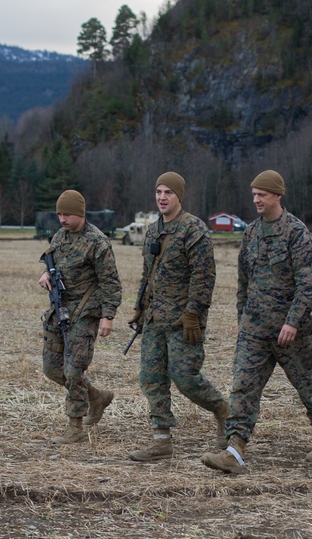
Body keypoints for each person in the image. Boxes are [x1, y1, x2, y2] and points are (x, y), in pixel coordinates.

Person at [202, 170, 312, 474]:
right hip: (255, 331)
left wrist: (292, 321)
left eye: (262, 194)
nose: (256, 200)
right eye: (254, 195)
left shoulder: (295, 232)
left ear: (278, 195)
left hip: (291, 332)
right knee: (242, 387)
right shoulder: (250, 232)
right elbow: (243, 281)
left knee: (308, 387)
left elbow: (308, 284)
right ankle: (234, 450)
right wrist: (243, 318)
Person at [128, 172, 229, 462]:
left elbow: (204, 276)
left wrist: (193, 314)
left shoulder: (193, 229)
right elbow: (148, 274)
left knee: (185, 377)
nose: (162, 197)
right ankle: (161, 439)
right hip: (154, 319)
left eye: (168, 193)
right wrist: (139, 306)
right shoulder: (153, 231)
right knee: (151, 377)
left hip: (183, 321)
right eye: (158, 192)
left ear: (179, 197)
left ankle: (222, 410)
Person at [38, 189, 122, 444]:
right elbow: (53, 263)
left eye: (68, 215)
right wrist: (45, 274)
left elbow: (111, 282)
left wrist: (107, 316)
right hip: (59, 310)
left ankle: (75, 427)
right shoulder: (60, 236)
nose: (62, 219)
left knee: (73, 371)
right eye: (60, 214)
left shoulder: (97, 242)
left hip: (85, 313)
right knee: (52, 369)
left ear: (81, 214)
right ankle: (97, 397)